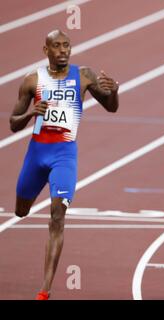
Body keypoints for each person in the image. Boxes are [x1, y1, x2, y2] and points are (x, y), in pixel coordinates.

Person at [10, 30, 119, 300]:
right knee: (21, 211)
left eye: (66, 46)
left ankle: (45, 290)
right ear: (45, 49)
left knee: (57, 216)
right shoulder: (32, 80)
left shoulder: (83, 76)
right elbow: (13, 123)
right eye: (56, 46)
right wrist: (29, 113)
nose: (63, 51)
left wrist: (114, 92)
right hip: (36, 154)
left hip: (64, 155)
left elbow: (111, 107)